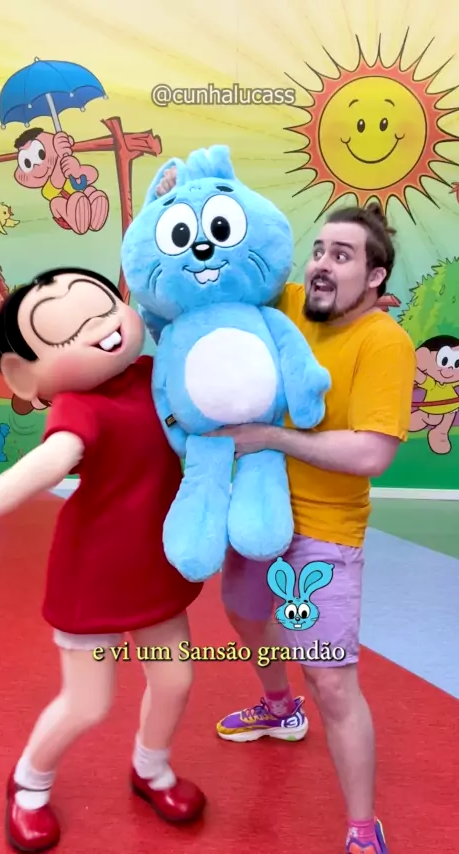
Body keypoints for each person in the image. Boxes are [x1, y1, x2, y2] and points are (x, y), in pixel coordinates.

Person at [157, 169, 415, 854]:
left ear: (375, 277)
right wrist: (173, 192)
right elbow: (209, 266)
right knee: (244, 613)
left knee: (330, 679)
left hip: (323, 534)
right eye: (319, 250)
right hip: (255, 510)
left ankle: (361, 826)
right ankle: (278, 708)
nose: (322, 264)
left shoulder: (384, 342)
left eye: (342, 255)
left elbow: (371, 453)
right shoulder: (287, 304)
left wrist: (271, 438)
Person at [0, 267, 205, 852]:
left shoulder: (152, 376)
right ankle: (29, 782)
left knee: (175, 679)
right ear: (23, 375)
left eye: (103, 308)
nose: (101, 329)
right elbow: (55, 459)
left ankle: (151, 767)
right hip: (94, 574)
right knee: (88, 702)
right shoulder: (79, 408)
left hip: (157, 565)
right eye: (66, 331)